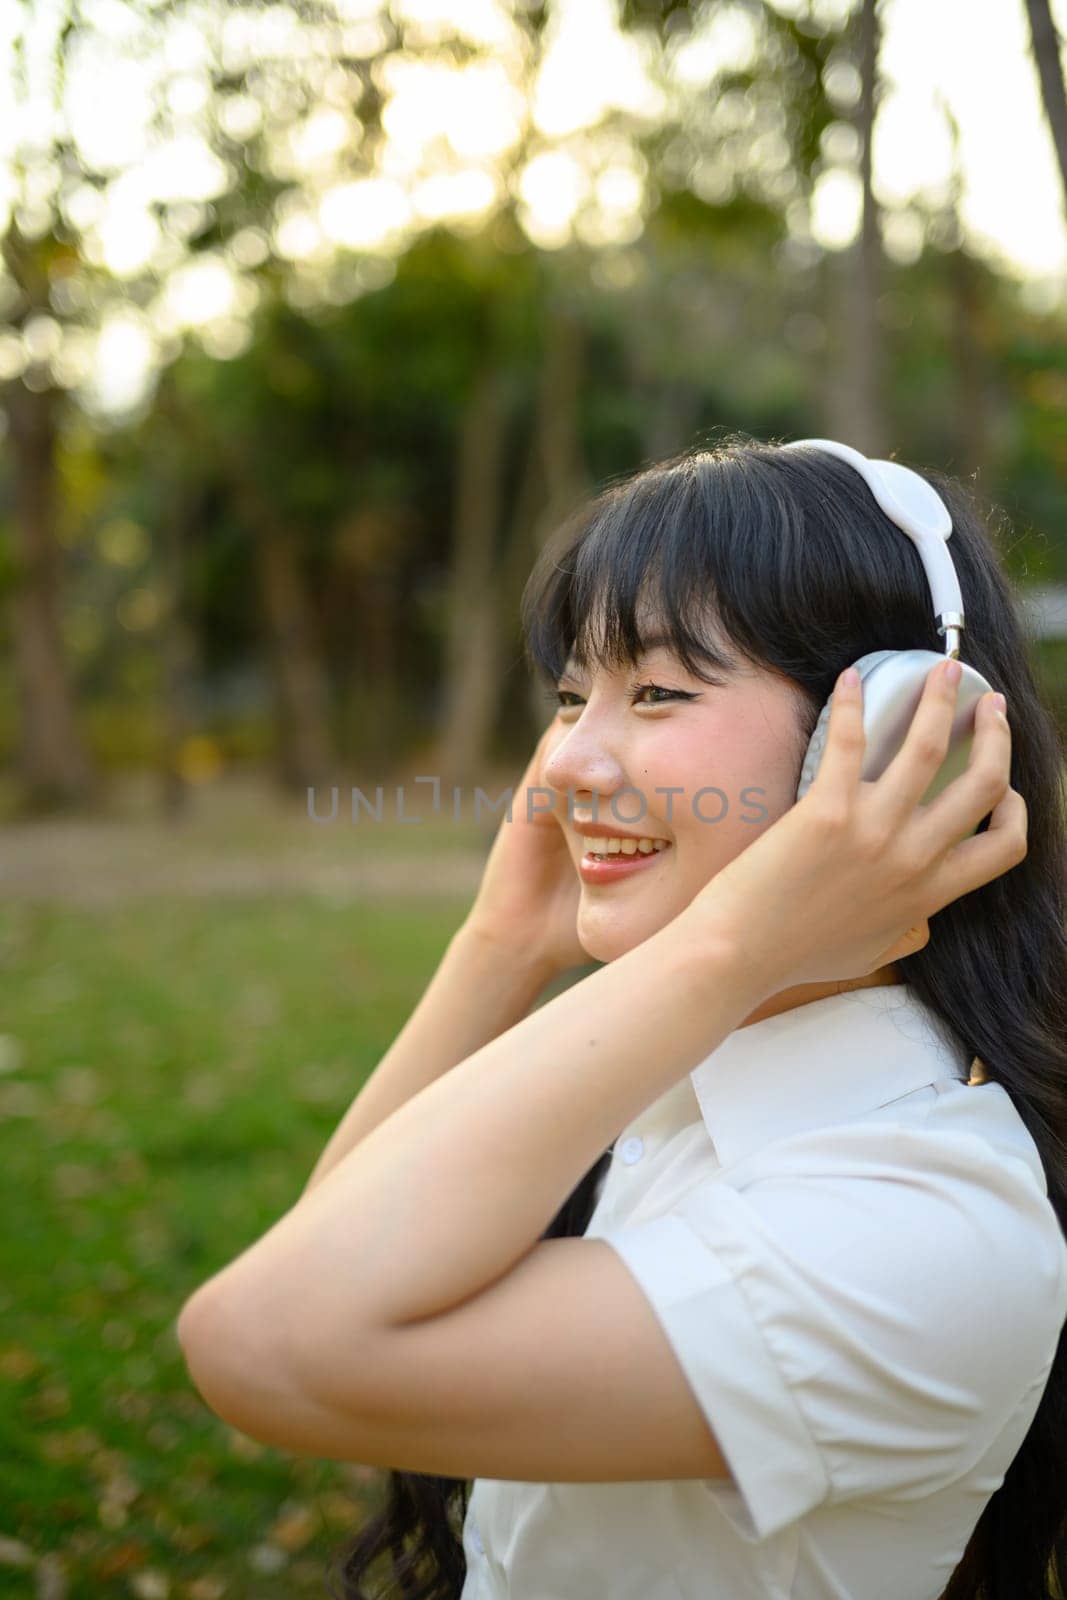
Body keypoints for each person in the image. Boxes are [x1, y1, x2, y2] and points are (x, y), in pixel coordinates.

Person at [180, 435, 1067, 1600]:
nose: (564, 766)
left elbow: (269, 1342)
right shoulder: (677, 1072)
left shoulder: (928, 1221)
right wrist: (501, 946)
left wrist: (730, 941)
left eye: (656, 691)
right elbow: (337, 1247)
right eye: (566, 696)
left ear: (909, 738)